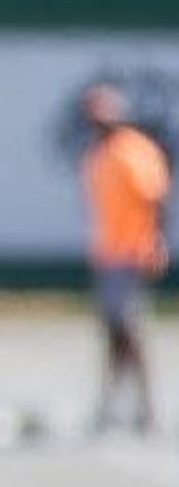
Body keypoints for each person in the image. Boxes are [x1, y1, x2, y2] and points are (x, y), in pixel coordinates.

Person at [79, 81, 170, 436]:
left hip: (132, 252)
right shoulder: (97, 155)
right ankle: (112, 405)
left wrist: (156, 242)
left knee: (130, 328)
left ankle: (147, 408)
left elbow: (155, 199)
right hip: (108, 253)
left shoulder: (134, 150)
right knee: (114, 332)